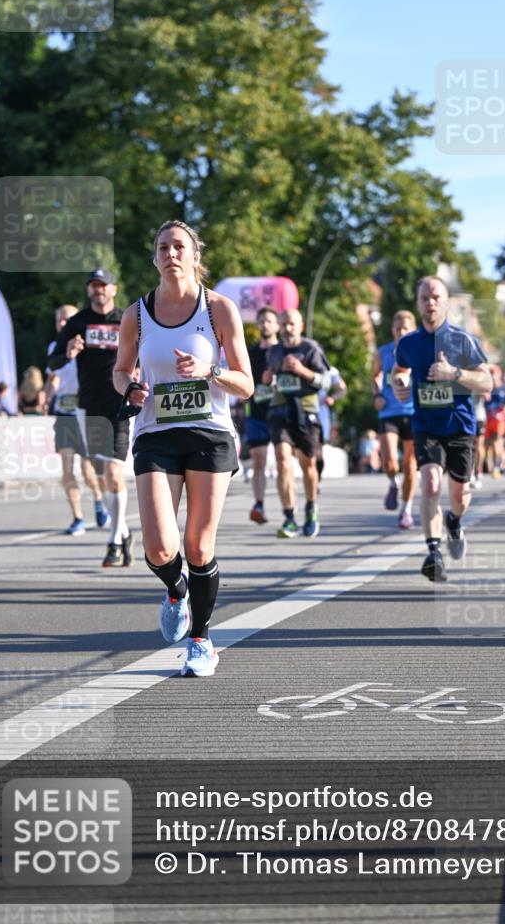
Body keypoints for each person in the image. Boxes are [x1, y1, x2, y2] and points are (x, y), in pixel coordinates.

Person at [113, 219, 253, 677]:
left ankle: (202, 640)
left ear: (196, 256)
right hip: (156, 433)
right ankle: (176, 592)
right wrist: (129, 388)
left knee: (197, 544)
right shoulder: (136, 313)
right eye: (162, 247)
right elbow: (121, 369)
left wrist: (209, 372)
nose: (171, 253)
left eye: (179, 247)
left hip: (209, 434)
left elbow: (246, 385)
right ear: (154, 258)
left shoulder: (219, 310)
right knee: (157, 546)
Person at [392, 276, 492, 582]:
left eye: (436, 297)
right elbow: (399, 372)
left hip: (460, 424)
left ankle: (454, 520)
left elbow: (487, 382)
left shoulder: (462, 340)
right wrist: (399, 385)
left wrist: (455, 373)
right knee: (432, 484)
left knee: (459, 495)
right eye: (424, 298)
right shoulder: (408, 344)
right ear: (418, 302)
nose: (430, 302)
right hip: (425, 424)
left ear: (446, 301)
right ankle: (433, 552)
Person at [48, 268, 133, 567]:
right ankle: (123, 532)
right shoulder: (78, 322)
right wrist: (69, 352)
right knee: (101, 476)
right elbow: (53, 360)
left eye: (103, 285)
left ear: (114, 289)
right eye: (93, 285)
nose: (98, 290)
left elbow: (146, 353)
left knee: (113, 474)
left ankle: (112, 542)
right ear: (88, 291)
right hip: (89, 407)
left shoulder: (127, 319)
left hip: (120, 403)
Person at [263, 309, 330, 539]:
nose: (288, 329)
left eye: (292, 324)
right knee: (282, 461)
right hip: (280, 410)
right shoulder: (273, 351)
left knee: (307, 465)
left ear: (300, 325)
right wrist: (268, 379)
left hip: (306, 411)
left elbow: (327, 382)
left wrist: (302, 371)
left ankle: (311, 507)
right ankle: (289, 517)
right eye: (284, 324)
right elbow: (270, 381)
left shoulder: (310, 349)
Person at [46, 304, 109, 536]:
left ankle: (98, 499)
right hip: (64, 411)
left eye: (67, 319)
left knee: (87, 469)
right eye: (59, 320)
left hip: (86, 409)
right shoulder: (54, 347)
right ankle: (78, 517)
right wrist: (48, 397)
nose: (62, 323)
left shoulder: (90, 345)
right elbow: (52, 378)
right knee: (66, 467)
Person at [372, 310, 419, 529]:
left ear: (413, 330)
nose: (401, 332)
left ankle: (406, 510)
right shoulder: (383, 352)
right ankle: (393, 483)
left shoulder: (419, 351)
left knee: (411, 465)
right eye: (398, 328)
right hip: (389, 411)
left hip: (413, 411)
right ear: (392, 330)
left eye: (405, 329)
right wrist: (377, 394)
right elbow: (376, 376)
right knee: (389, 460)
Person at [245, 306, 280, 524]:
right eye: (262, 321)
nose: (265, 325)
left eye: (269, 321)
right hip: (256, 412)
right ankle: (259, 504)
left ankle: (290, 506)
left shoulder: (284, 351)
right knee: (259, 459)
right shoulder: (250, 352)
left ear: (276, 325)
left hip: (281, 413)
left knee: (284, 460)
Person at [317, 364, 347, 481]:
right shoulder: (299, 363)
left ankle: (316, 478)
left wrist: (332, 398)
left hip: (320, 412)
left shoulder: (329, 370)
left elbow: (342, 389)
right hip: (299, 410)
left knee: (318, 449)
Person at [484, 364, 505, 478]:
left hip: (499, 421)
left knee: (496, 442)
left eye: (494, 374)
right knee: (487, 445)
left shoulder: (504, 389)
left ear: (499, 375)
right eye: (490, 375)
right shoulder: (487, 389)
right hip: (487, 420)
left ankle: (496, 467)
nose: (492, 377)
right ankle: (500, 461)